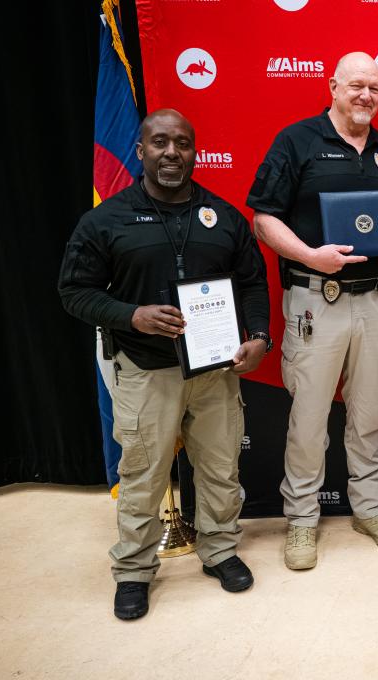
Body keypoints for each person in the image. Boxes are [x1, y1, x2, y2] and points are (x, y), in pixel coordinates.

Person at [59, 109, 271, 620]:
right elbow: (74, 292)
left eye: (182, 143)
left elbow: (252, 282)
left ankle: (219, 549)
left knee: (220, 468)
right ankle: (133, 569)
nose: (171, 152)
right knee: (143, 475)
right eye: (159, 142)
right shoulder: (106, 220)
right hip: (145, 369)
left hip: (215, 370)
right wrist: (132, 315)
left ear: (195, 151)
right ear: (141, 151)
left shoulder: (222, 217)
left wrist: (260, 335)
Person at [247, 52, 378, 570]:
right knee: (309, 417)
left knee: (367, 414)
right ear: (333, 87)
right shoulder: (297, 141)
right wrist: (309, 256)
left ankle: (369, 508)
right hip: (317, 301)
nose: (366, 95)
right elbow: (262, 219)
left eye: (375, 88)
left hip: (377, 304)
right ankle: (301, 518)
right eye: (356, 85)